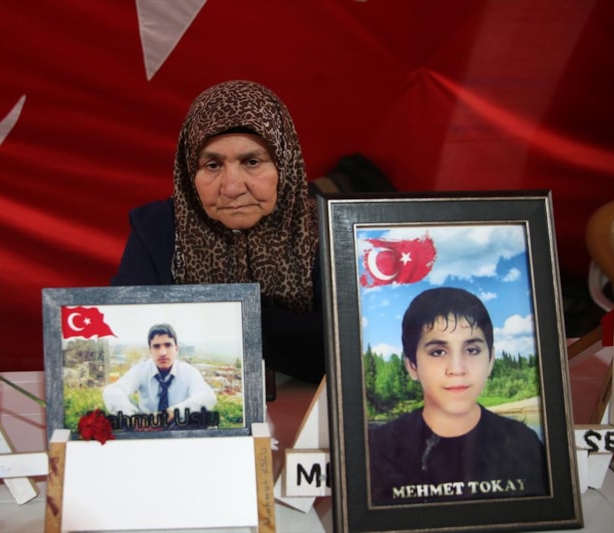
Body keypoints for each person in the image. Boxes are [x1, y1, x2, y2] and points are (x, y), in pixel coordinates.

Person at [111, 80, 324, 384]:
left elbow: (351, 343)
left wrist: (215, 320)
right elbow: (128, 338)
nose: (232, 187)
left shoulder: (328, 228)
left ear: (285, 165)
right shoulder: (158, 230)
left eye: (252, 162)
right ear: (189, 172)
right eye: (212, 165)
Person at [368, 287, 548, 504]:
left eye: (472, 350)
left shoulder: (523, 443)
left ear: (490, 360)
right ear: (412, 366)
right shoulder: (379, 448)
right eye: (438, 352)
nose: (457, 369)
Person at [102, 323, 217, 426]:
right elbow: (111, 392)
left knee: (199, 417)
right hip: (145, 426)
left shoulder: (188, 372)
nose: (162, 353)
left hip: (177, 425)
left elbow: (207, 396)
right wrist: (134, 418)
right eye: (156, 346)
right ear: (150, 350)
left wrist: (171, 413)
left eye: (168, 345)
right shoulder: (141, 370)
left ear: (176, 348)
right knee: (122, 409)